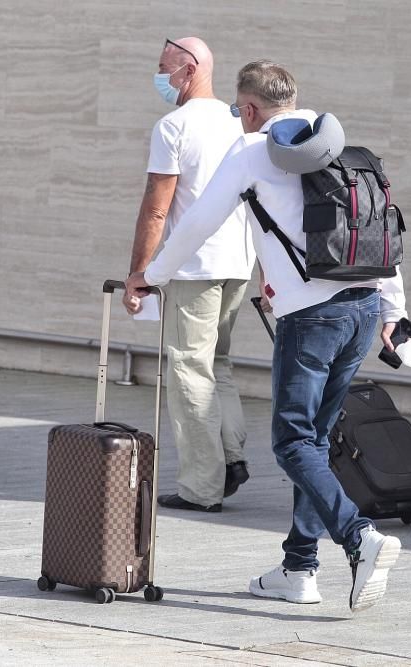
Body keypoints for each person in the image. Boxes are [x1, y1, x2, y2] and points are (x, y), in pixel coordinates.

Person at [126, 60, 405, 612]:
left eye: (239, 110)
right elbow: (380, 226)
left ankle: (359, 538)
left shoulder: (251, 151)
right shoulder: (342, 145)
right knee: (316, 444)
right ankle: (299, 570)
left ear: (249, 110)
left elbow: (198, 223)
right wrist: (394, 310)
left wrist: (150, 275)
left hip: (310, 319)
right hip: (364, 307)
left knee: (293, 443)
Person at [124, 37, 255, 512]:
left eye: (164, 67)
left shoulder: (173, 126)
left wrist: (140, 272)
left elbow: (156, 209)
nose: (159, 76)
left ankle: (202, 486)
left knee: (186, 369)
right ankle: (231, 459)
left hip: (195, 267)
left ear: (190, 68)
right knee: (217, 364)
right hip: (239, 264)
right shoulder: (238, 121)